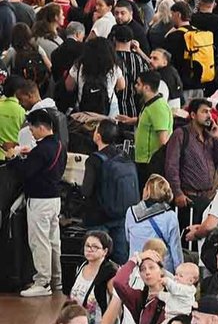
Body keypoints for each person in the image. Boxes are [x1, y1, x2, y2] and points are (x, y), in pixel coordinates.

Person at [9, 109, 67, 298]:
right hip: (54, 200)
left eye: (32, 129)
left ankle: (42, 282)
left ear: (42, 127)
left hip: (39, 201)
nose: (31, 132)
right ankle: (56, 280)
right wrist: (31, 154)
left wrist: (14, 157)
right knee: (53, 241)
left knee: (39, 242)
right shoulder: (59, 145)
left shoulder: (41, 150)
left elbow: (25, 172)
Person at [80, 119, 139, 265]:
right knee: (120, 258)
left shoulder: (94, 160)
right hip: (121, 214)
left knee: (96, 258)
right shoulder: (124, 156)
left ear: (98, 136)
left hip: (98, 217)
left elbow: (87, 190)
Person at [164, 98, 218, 230]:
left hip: (209, 198)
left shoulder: (210, 137)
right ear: (193, 115)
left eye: (209, 112)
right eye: (204, 112)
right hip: (189, 200)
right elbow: (171, 166)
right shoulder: (181, 135)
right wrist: (177, 192)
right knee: (188, 237)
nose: (209, 115)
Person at [113, 249, 166, 324]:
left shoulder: (174, 296)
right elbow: (118, 282)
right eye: (142, 269)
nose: (147, 272)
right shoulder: (140, 298)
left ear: (161, 271)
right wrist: (136, 259)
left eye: (151, 267)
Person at [125, 173, 183, 274]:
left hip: (137, 269)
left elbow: (128, 238)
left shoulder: (131, 212)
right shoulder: (170, 216)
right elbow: (175, 249)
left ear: (147, 191)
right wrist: (180, 273)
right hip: (161, 270)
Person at [70, 231, 118, 324]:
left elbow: (116, 304)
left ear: (105, 251)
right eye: (87, 246)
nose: (89, 249)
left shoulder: (110, 272)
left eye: (95, 247)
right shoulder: (81, 266)